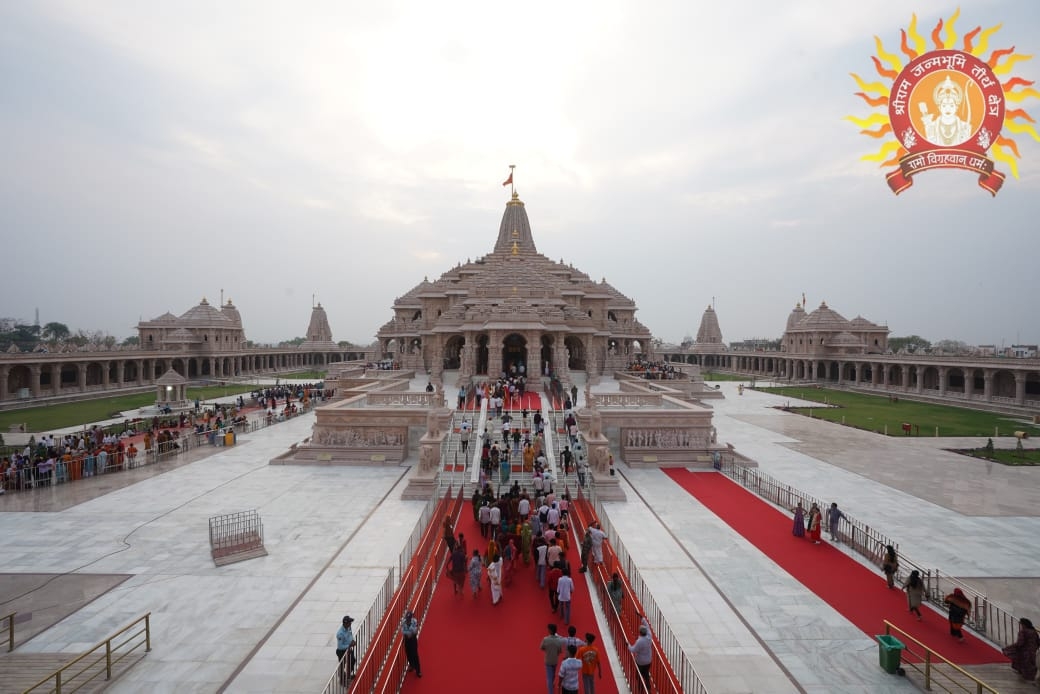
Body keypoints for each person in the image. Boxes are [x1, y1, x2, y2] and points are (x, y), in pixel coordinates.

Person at [1002, 617, 1039, 682]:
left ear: (1023, 624)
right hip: (1032, 651)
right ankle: (1031, 678)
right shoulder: (1033, 631)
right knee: (1031, 664)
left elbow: (1020, 643)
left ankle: (1025, 678)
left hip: (1024, 652)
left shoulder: (1023, 631)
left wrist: (1010, 647)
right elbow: (1038, 642)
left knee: (1024, 664)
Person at [628, 615, 653, 691]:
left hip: (641, 662)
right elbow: (647, 626)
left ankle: (641, 689)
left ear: (640, 633)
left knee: (638, 675)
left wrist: (628, 645)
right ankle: (648, 688)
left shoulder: (639, 641)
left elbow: (633, 650)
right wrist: (642, 618)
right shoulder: (649, 636)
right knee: (646, 674)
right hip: (648, 660)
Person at [540, 623, 565, 694]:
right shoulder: (559, 640)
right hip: (555, 660)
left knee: (549, 678)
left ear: (550, 630)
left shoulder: (545, 639)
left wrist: (547, 650)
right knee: (553, 674)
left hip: (548, 660)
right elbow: (560, 651)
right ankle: (552, 685)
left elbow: (541, 647)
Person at [401, 609, 422, 678]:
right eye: (407, 618)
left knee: (415, 655)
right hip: (407, 639)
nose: (408, 620)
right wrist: (408, 633)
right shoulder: (404, 622)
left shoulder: (414, 621)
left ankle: (418, 670)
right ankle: (411, 665)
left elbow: (415, 630)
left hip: (413, 640)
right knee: (408, 653)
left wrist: (410, 632)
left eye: (409, 618)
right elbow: (403, 631)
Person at [335, 615, 356, 684]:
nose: (350, 624)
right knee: (342, 666)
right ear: (345, 623)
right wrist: (349, 645)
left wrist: (352, 640)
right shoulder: (340, 633)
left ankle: (348, 675)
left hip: (349, 649)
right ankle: (342, 680)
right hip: (342, 651)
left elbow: (350, 634)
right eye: (349, 622)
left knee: (352, 660)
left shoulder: (349, 627)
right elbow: (340, 646)